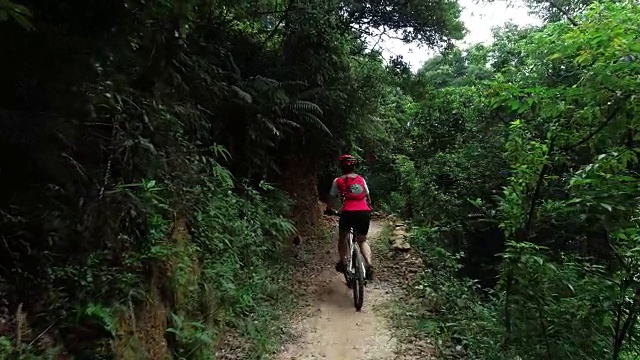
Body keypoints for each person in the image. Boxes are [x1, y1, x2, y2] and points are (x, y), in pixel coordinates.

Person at [325, 154, 374, 280]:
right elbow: (368, 198)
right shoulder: (361, 179)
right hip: (364, 212)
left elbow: (331, 198)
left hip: (347, 212)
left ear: (341, 167)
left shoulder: (338, 181)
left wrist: (330, 209)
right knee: (362, 240)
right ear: (354, 166)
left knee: (342, 238)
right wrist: (369, 208)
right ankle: (369, 263)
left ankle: (342, 262)